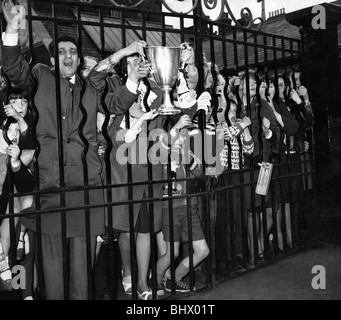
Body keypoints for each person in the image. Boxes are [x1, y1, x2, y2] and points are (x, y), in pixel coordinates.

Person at [0, 0, 147, 299]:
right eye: (62, 52)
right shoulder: (39, 76)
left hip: (84, 191)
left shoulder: (90, 86)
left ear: (79, 60)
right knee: (52, 273)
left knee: (81, 274)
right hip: (50, 189)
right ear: (54, 60)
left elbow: (116, 103)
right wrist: (12, 31)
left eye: (73, 52)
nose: (68, 56)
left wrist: (132, 77)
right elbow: (15, 70)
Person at [238, 70, 280, 267]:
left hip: (263, 165)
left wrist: (269, 132)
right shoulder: (236, 107)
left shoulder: (262, 105)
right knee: (251, 212)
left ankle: (260, 249)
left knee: (266, 211)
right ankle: (254, 256)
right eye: (248, 81)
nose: (253, 84)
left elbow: (277, 133)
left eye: (255, 81)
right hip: (244, 166)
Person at [0, 116, 34, 292]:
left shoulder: (22, 152)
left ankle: (22, 292)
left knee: (22, 261)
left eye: (17, 131)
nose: (13, 135)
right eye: (8, 130)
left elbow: (27, 186)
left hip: (18, 216)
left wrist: (15, 162)